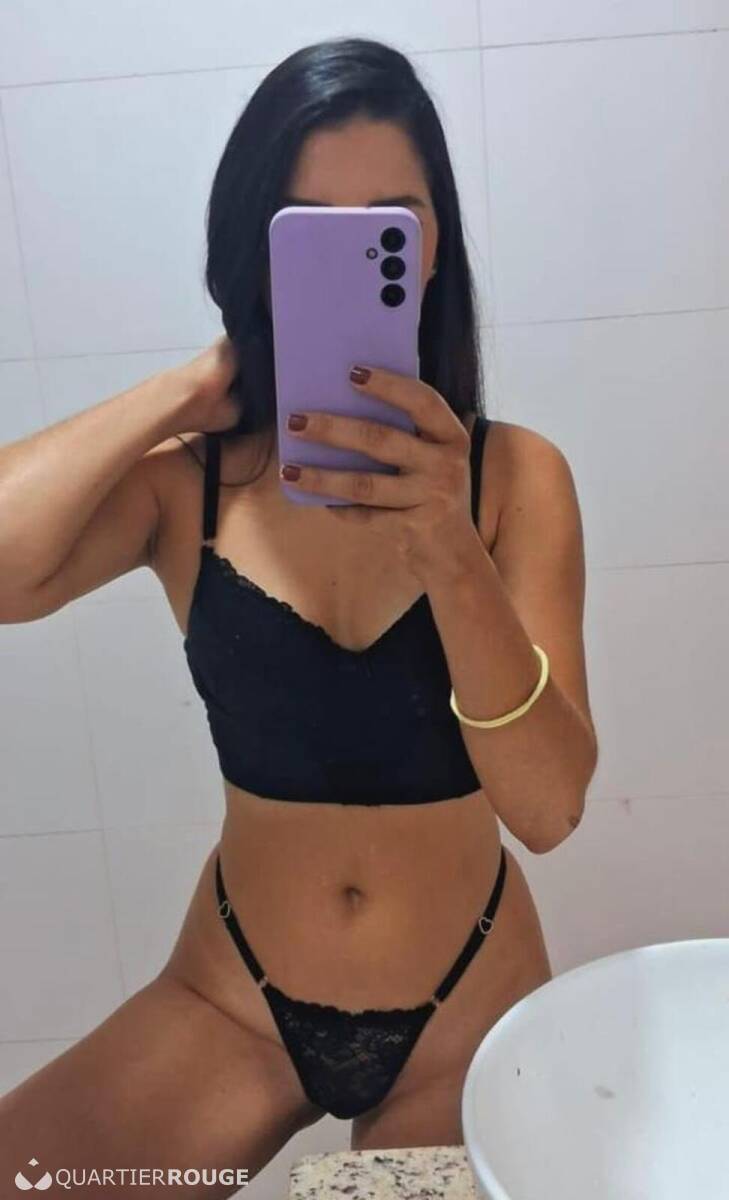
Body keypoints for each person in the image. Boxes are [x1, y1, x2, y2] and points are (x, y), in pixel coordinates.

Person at [0, 36, 598, 1198]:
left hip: (467, 1011)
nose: (355, 251)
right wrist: (188, 389)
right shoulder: (188, 483)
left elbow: (550, 806)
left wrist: (451, 547)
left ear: (433, 247)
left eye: (391, 224)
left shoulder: (516, 479)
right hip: (234, 1002)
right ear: (258, 251)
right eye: (307, 230)